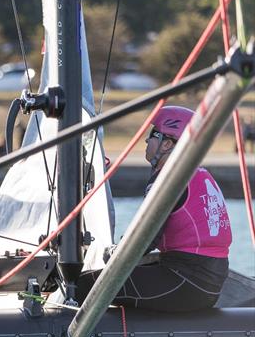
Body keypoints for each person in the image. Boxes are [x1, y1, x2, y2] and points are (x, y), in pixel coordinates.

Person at [79, 105, 233, 311]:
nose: (146, 140)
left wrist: (113, 254)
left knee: (83, 285)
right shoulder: (200, 174)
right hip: (206, 281)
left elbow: (143, 240)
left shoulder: (169, 179)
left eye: (153, 134)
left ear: (167, 144)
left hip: (185, 281)